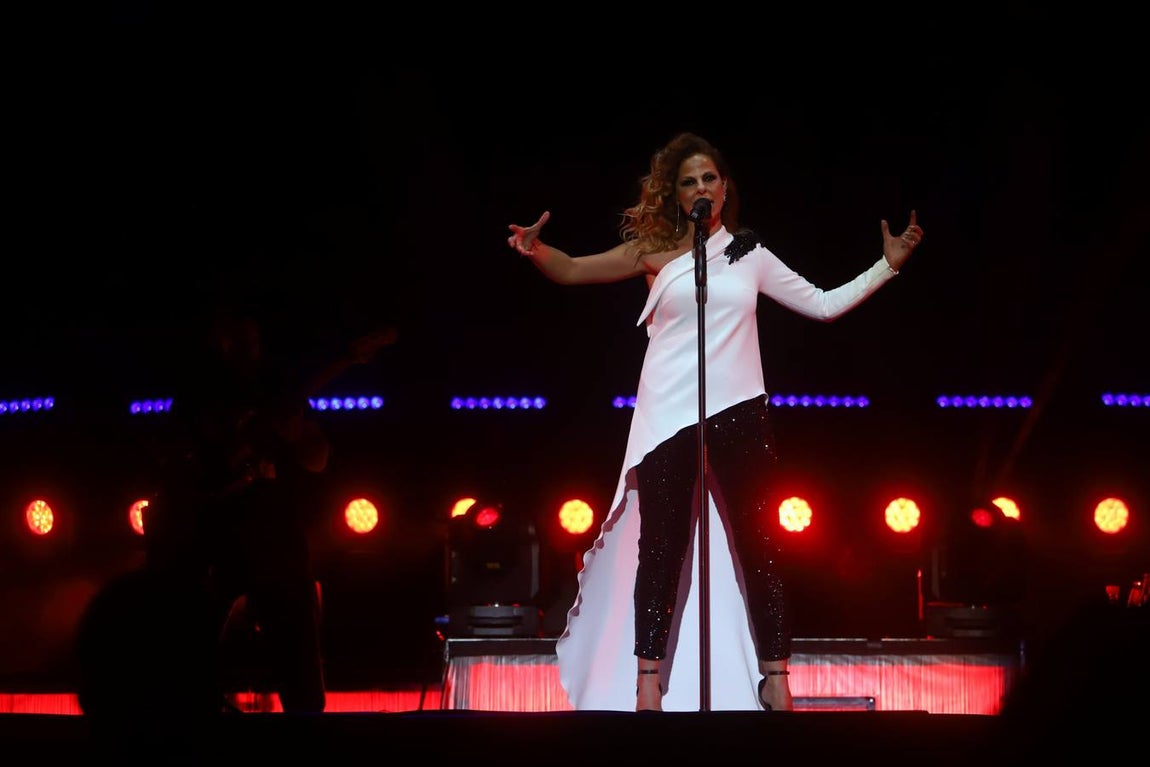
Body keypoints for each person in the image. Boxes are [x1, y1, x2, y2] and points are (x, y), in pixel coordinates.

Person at [506, 132, 923, 712]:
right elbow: (574, 270)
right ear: (677, 195)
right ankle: (648, 681)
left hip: (740, 409)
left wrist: (887, 267)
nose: (700, 188)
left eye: (708, 178)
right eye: (688, 181)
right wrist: (535, 250)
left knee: (761, 543)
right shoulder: (655, 252)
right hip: (668, 414)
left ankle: (775, 677)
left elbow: (823, 304)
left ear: (724, 188)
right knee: (662, 546)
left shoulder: (750, 255)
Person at [142, 306, 396, 714]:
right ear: (218, 343)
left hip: (275, 541)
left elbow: (318, 459)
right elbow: (170, 459)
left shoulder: (276, 389)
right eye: (238, 342)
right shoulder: (196, 394)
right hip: (214, 539)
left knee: (298, 662)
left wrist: (297, 438)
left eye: (253, 341)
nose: (249, 350)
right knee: (190, 648)